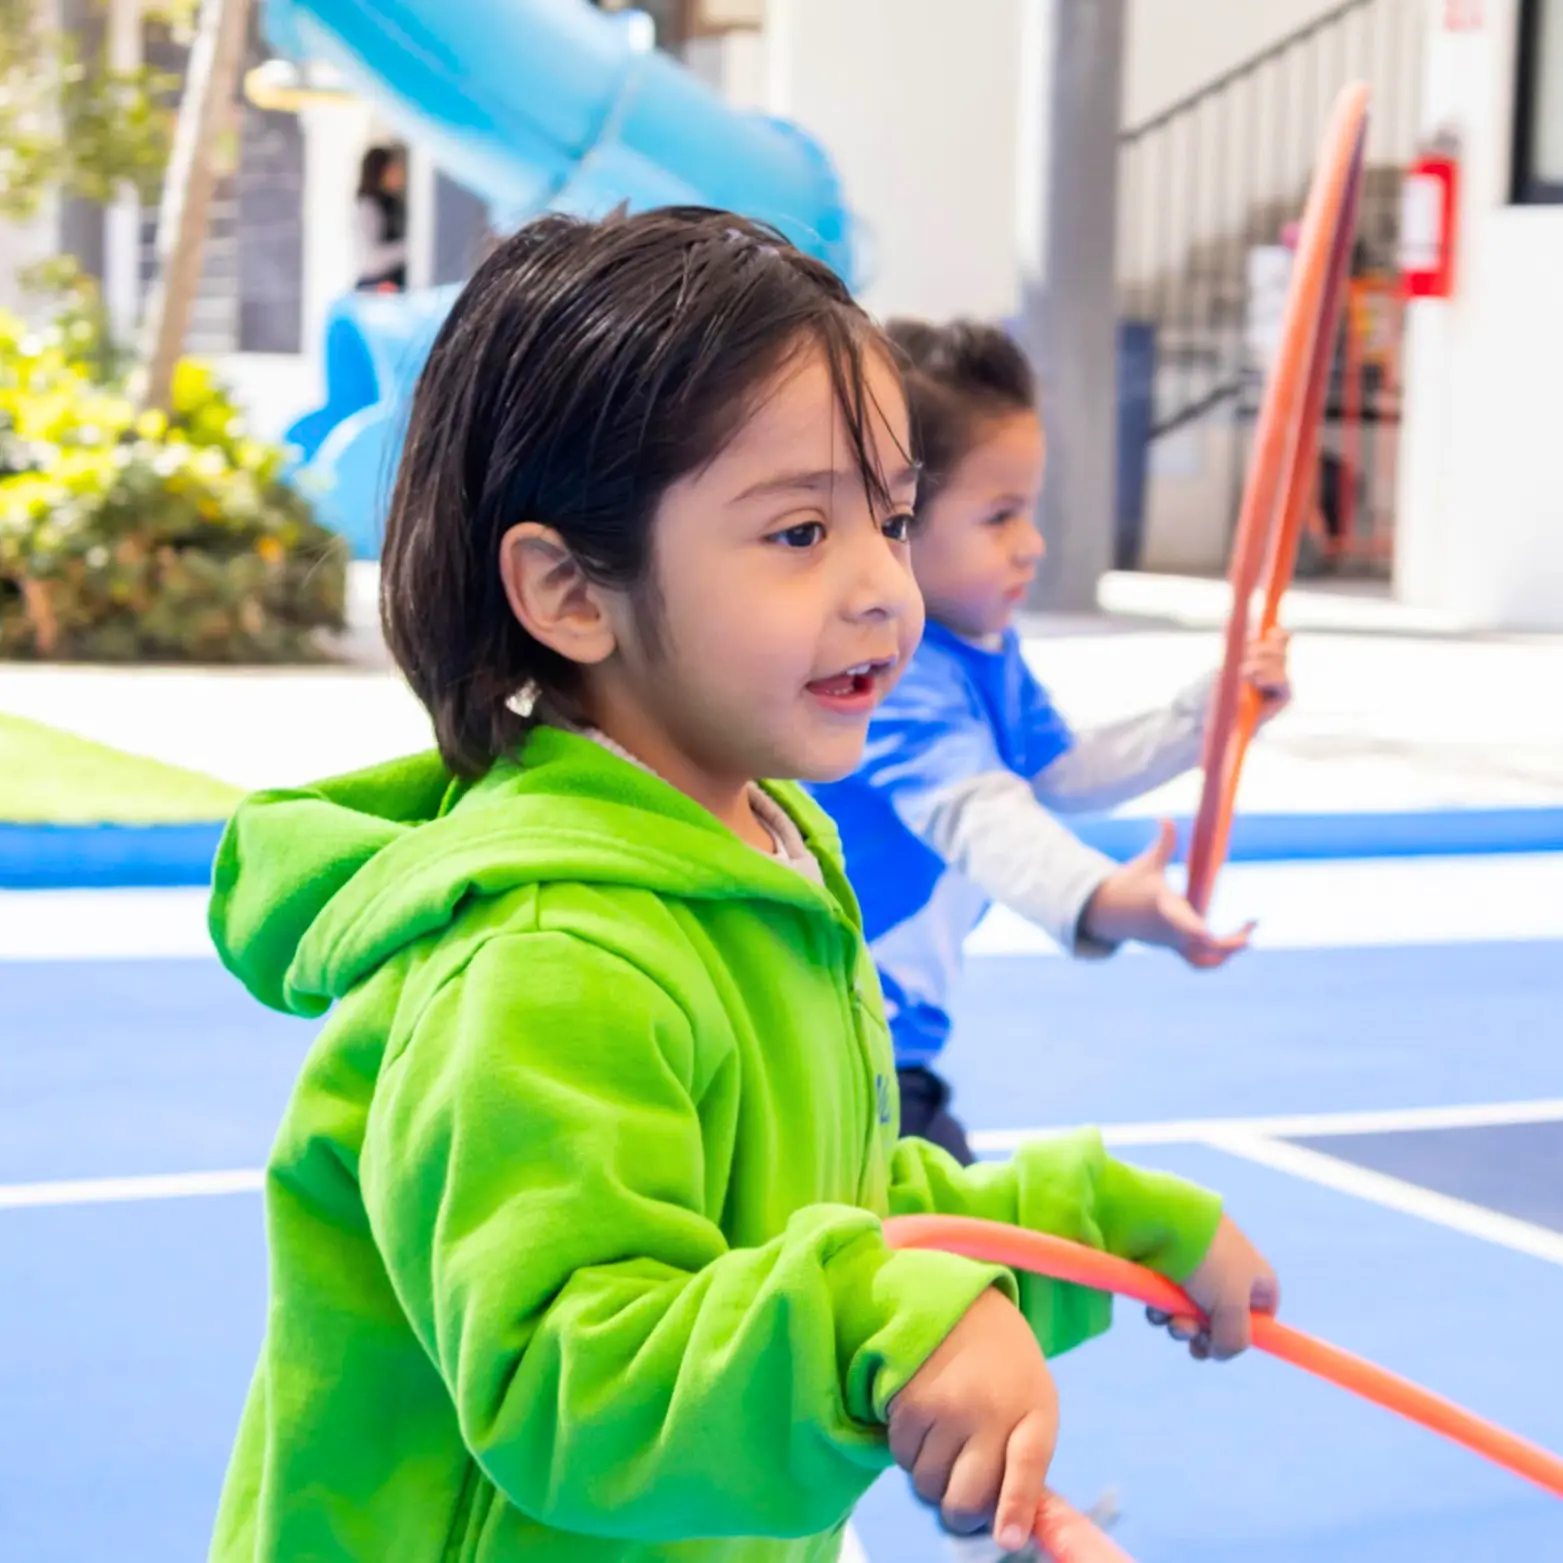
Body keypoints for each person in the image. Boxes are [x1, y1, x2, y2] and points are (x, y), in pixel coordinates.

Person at [206, 210, 1278, 1563]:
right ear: (568, 591)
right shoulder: (551, 954)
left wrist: (1105, 1226)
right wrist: (884, 1321)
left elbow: (826, 1203)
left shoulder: (761, 855)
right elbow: (573, 1383)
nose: (883, 586)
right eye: (797, 530)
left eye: (891, 517)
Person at [813, 320, 1293, 1167]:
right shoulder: (896, 673)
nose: (1030, 545)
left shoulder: (980, 652)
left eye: (1028, 512)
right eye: (999, 516)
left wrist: (1209, 717)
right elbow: (978, 813)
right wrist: (1095, 896)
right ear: (898, 521)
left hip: (886, 1042)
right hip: (840, 1041)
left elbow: (1061, 771)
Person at [354, 144, 408, 292]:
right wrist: (412, 247)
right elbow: (371, 259)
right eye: (394, 169)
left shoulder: (392, 203)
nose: (400, 173)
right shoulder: (367, 206)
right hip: (374, 286)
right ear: (380, 172)